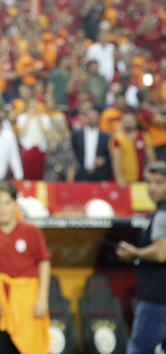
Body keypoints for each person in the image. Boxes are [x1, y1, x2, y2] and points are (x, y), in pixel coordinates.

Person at [0, 182, 51, 354]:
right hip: (3, 302)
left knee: (31, 346)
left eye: (7, 203)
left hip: (28, 300)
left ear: (15, 205)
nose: (2, 208)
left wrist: (42, 298)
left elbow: (44, 263)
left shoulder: (31, 230)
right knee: (4, 346)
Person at [116, 162, 166, 354]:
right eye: (149, 182)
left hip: (156, 297)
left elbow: (161, 253)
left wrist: (134, 253)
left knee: (139, 348)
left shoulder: (162, 215)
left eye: (159, 183)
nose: (152, 187)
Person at [110, 112, 156, 187]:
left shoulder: (144, 136)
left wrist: (152, 176)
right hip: (125, 179)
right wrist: (119, 178)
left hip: (142, 177)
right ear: (122, 123)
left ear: (136, 122)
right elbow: (116, 160)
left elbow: (151, 158)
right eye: (126, 121)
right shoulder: (117, 139)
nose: (128, 123)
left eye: (131, 121)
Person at [72, 108, 112, 181]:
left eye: (94, 117)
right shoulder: (77, 135)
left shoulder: (105, 136)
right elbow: (72, 151)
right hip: (81, 173)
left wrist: (104, 160)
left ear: (98, 119)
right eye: (90, 117)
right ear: (86, 118)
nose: (92, 119)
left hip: (99, 174)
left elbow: (109, 155)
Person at [16, 102, 51, 181]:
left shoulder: (44, 117)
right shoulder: (22, 117)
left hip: (40, 148)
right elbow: (21, 132)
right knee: (27, 172)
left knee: (39, 172)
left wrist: (39, 121)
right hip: (27, 148)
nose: (33, 109)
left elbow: (47, 134)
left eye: (35, 107)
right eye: (31, 107)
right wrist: (28, 119)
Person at [43, 114, 79, 182]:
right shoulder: (48, 140)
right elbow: (46, 158)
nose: (60, 125)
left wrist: (72, 169)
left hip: (66, 173)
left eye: (62, 122)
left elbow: (71, 156)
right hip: (52, 173)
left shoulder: (68, 138)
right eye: (58, 123)